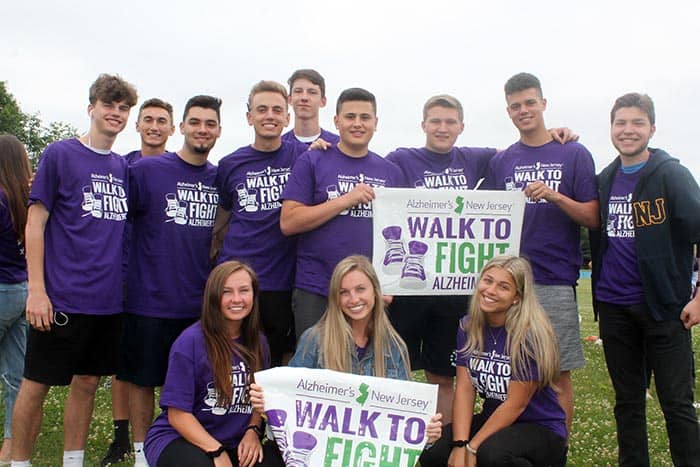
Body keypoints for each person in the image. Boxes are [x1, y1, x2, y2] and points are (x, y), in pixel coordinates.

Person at [12, 74, 137, 467]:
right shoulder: (60, 155)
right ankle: (17, 461)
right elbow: (35, 223)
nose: (115, 113)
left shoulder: (122, 166)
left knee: (86, 382)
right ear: (91, 108)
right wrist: (37, 290)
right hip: (60, 298)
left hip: (106, 302)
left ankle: (73, 461)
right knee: (36, 385)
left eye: (122, 108)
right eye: (108, 105)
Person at [483, 72, 599, 440]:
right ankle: (518, 443)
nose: (524, 110)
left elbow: (593, 217)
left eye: (530, 102)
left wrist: (554, 196)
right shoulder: (502, 161)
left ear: (544, 103)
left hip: (553, 280)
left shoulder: (574, 152)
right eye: (516, 106)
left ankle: (556, 451)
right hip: (508, 284)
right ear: (508, 111)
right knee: (509, 372)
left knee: (556, 374)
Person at [590, 93, 700, 466]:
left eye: (637, 123)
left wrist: (699, 296)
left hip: (665, 309)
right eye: (620, 123)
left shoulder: (672, 175)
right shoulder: (605, 179)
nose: (628, 130)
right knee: (628, 402)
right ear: (611, 128)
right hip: (615, 308)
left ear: (652, 128)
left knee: (677, 404)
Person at [118, 95, 222, 467]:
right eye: (195, 122)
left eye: (210, 124)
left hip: (198, 305)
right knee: (143, 382)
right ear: (182, 127)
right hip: (149, 298)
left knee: (187, 389)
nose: (202, 130)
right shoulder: (148, 171)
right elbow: (116, 224)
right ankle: (142, 456)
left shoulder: (218, 177)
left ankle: (182, 450)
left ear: (219, 131)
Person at [249, 255, 441, 447]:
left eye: (360, 289)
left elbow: (405, 417)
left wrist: (427, 434)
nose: (354, 299)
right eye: (344, 292)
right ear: (335, 298)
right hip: (323, 450)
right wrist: (269, 400)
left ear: (375, 290)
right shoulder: (314, 340)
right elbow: (289, 400)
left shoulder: (394, 347)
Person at [420, 255, 567, 467]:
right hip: (494, 419)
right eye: (487, 280)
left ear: (517, 297)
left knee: (492, 455)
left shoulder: (528, 335)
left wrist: (472, 448)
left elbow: (516, 404)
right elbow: (464, 390)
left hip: (540, 427)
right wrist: (460, 444)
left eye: (503, 286)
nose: (490, 291)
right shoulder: (468, 327)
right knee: (434, 451)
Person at [280, 88, 402, 339]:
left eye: (365, 117)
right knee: (315, 374)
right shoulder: (313, 160)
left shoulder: (390, 172)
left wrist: (391, 283)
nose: (357, 123)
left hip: (367, 292)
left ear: (376, 123)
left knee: (363, 371)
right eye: (350, 117)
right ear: (336, 121)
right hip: (317, 289)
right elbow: (289, 222)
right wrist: (345, 200)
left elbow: (399, 234)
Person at [144, 260, 284, 467]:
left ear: (254, 295)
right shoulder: (190, 342)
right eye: (227, 292)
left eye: (244, 290)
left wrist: (253, 431)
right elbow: (177, 414)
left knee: (278, 461)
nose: (236, 299)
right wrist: (215, 451)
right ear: (213, 296)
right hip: (181, 438)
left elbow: (257, 400)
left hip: (234, 441)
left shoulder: (258, 342)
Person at [211, 81, 308, 367]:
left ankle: (270, 414)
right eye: (262, 109)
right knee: (232, 359)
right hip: (236, 279)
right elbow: (222, 218)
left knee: (278, 360)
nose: (270, 116)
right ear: (249, 117)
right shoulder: (230, 164)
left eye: (278, 110)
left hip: (282, 280)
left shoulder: (303, 157)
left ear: (287, 118)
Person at [102, 97, 176, 466]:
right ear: (138, 125)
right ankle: (122, 438)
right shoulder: (123, 166)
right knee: (127, 367)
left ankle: (166, 441)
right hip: (123, 276)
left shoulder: (176, 169)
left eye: (161, 120)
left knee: (162, 370)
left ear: (171, 128)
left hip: (165, 282)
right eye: (148, 119)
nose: (154, 126)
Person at [0, 135, 30, 464]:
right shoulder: (25, 198)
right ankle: (9, 446)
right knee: (15, 376)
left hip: (1, 289)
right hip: (23, 290)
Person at [281, 69, 339, 146]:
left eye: (312, 92)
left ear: (323, 101)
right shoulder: (279, 146)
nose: (304, 98)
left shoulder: (338, 145)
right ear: (289, 99)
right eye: (298, 91)